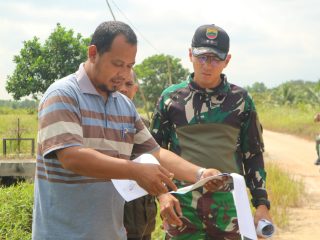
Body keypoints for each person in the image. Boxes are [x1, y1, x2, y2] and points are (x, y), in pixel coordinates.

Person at [32, 21, 221, 240]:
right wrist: (134, 170)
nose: (124, 74)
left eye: (129, 66)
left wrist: (200, 174)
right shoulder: (63, 95)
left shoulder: (123, 105)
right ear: (93, 53)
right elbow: (72, 157)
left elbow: (155, 153)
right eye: (117, 64)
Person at [150, 24, 272, 239]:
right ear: (190, 55)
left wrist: (262, 205)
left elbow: (252, 154)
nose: (208, 65)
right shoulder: (171, 98)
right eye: (202, 57)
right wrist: (162, 195)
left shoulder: (241, 101)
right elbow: (153, 153)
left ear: (227, 60)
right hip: (182, 206)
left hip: (229, 208)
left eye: (216, 59)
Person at [119, 70, 157, 240]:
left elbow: (157, 160)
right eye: (119, 83)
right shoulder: (98, 122)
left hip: (143, 214)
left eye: (128, 84)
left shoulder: (145, 124)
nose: (123, 89)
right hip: (117, 215)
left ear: (135, 89)